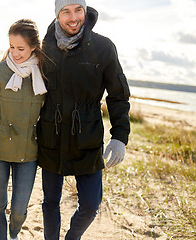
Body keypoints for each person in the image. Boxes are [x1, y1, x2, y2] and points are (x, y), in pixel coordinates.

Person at [37, 0, 131, 239]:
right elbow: (21, 69)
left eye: (78, 9)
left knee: (90, 205)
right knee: (50, 202)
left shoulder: (102, 47)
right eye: (65, 11)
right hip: (51, 135)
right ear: (57, 15)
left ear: (85, 10)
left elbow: (118, 94)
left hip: (87, 137)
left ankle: (72, 237)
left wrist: (119, 137)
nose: (73, 17)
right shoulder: (44, 47)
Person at [0, 19, 48, 240]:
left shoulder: (44, 74)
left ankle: (14, 233)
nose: (15, 53)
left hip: (29, 153)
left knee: (19, 209)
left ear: (34, 47)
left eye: (21, 49)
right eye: (12, 47)